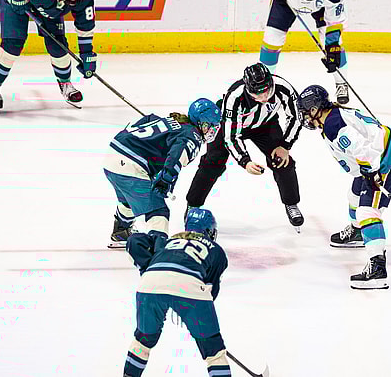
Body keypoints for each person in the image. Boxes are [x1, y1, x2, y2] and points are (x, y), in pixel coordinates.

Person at [296, 85, 391, 289]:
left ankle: (378, 270)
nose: (304, 117)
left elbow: (359, 147)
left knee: (367, 211)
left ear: (315, 109)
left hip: (382, 162)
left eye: (305, 111)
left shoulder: (333, 125)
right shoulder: (331, 118)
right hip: (376, 158)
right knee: (354, 195)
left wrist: (372, 173)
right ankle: (357, 232)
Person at [185, 63, 305, 228]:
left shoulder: (283, 88)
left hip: (265, 124)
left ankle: (291, 203)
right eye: (258, 93)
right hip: (231, 125)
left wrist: (285, 145)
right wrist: (245, 161)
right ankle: (193, 204)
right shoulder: (234, 97)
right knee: (213, 162)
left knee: (283, 161)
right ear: (248, 88)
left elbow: (297, 117)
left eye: (267, 91)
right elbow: (230, 136)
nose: (264, 97)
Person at [122, 208, 231, 377]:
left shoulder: (167, 241)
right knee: (213, 352)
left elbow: (134, 241)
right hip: (191, 291)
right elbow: (211, 290)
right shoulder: (216, 250)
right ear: (209, 231)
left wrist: (149, 269)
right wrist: (189, 310)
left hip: (150, 284)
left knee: (143, 341)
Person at [103, 98, 221, 248]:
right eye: (209, 126)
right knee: (158, 210)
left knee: (128, 200)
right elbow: (177, 155)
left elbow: (146, 120)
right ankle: (157, 250)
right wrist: (166, 178)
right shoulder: (193, 135)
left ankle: (121, 232)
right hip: (130, 166)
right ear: (200, 122)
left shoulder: (171, 121)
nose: (211, 132)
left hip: (112, 158)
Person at [0, 0, 98, 115]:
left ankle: (65, 84)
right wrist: (17, 0)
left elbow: (85, 26)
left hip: (48, 6)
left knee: (58, 46)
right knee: (12, 45)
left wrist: (87, 54)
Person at [257, 0, 350, 105]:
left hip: (320, 7)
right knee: (272, 40)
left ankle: (341, 83)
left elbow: (335, 22)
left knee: (335, 45)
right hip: (286, 3)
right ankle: (263, 85)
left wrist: (332, 48)